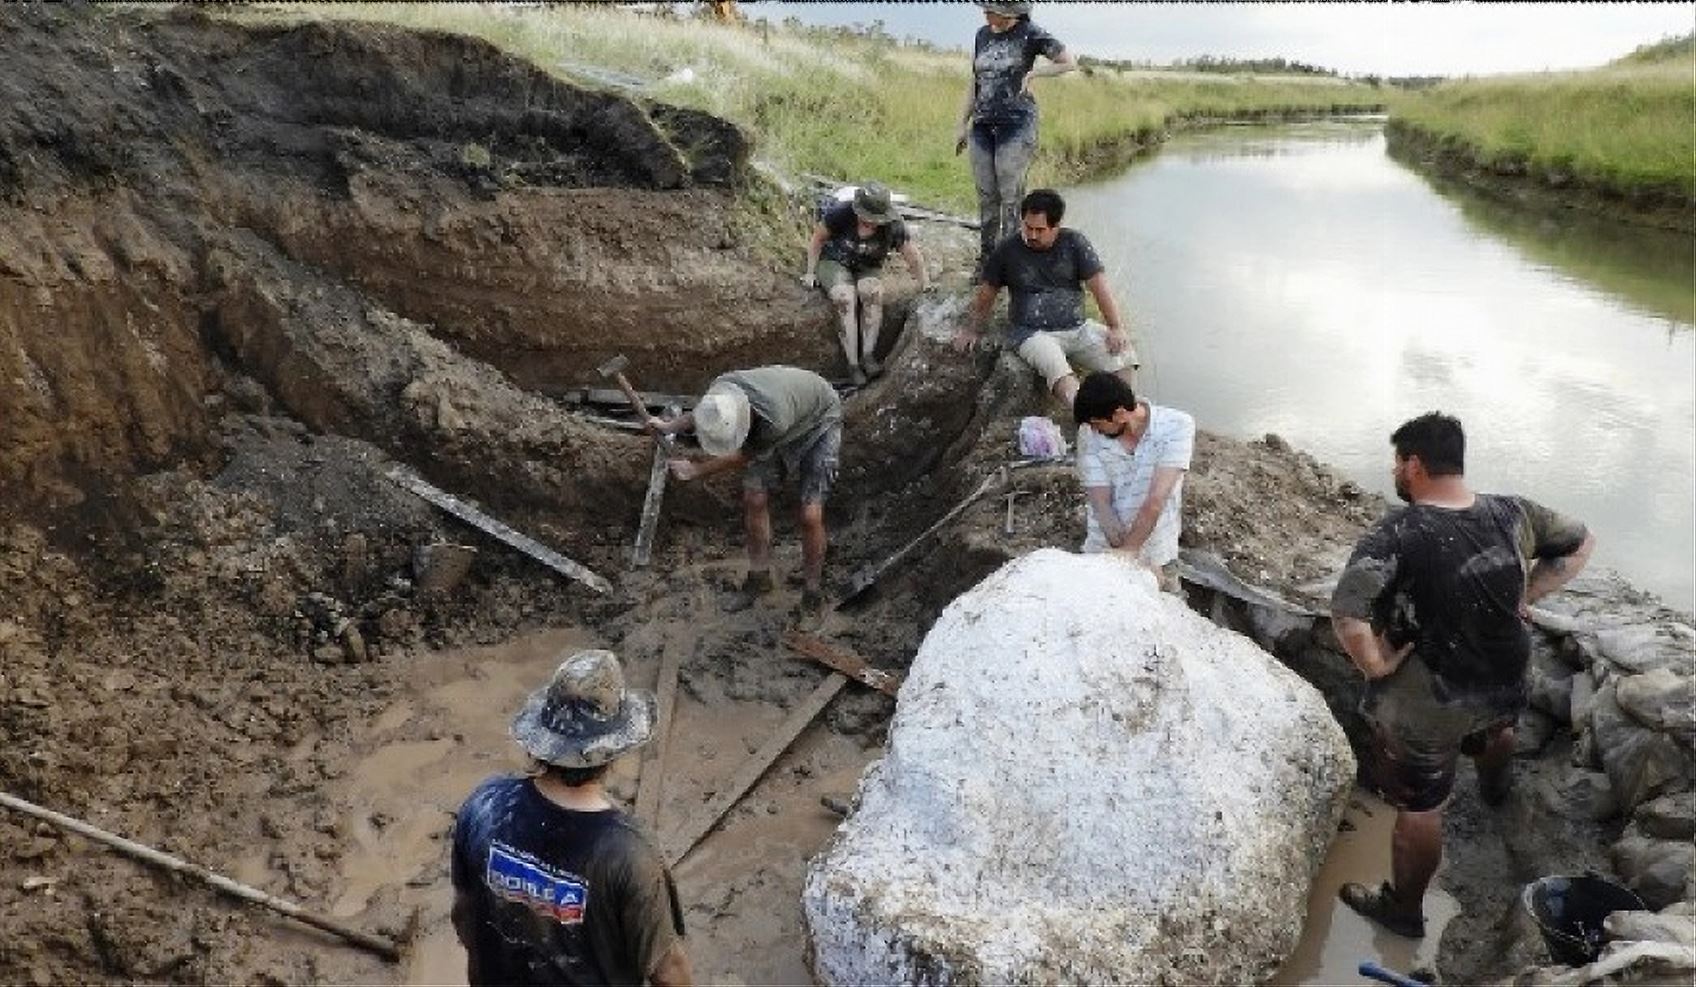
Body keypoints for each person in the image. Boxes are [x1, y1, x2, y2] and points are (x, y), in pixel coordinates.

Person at [1329, 412, 1594, 938]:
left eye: (1397, 463)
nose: (1395, 473)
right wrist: (1526, 594)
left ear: (1415, 464)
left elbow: (1348, 614)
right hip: (1506, 674)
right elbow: (1582, 542)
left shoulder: (1397, 532)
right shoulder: (1514, 513)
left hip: (1433, 697)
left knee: (1423, 806)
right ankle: (1497, 789)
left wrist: (1377, 665)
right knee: (1497, 727)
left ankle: (1403, 911)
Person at [451, 649, 693, 986]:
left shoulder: (484, 805)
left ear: (544, 739)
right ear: (614, 750)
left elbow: (465, 918)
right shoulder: (630, 854)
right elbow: (669, 973)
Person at [651, 365, 841, 611]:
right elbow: (702, 415)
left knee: (810, 514)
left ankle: (812, 593)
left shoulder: (775, 421)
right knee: (754, 498)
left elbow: (743, 457)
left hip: (819, 420)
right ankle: (759, 579)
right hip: (784, 411)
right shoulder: (722, 390)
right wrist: (668, 427)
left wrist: (696, 470)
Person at [951, 188, 1136, 405]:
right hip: (1032, 333)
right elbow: (987, 293)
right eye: (1027, 227)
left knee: (1124, 357)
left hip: (1078, 328)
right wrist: (972, 328)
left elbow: (1099, 286)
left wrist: (1115, 326)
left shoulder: (1075, 243)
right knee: (1059, 371)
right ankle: (1088, 417)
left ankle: (1122, 413)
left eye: (1040, 230)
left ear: (1056, 227)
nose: (1031, 235)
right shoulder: (1007, 250)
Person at [955, 1, 1076, 263]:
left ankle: (1010, 261)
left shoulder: (1031, 33)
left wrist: (1034, 73)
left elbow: (1068, 62)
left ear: (1009, 12)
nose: (985, 13)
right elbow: (974, 83)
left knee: (1011, 197)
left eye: (991, 9)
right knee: (986, 195)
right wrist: (961, 125)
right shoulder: (982, 34)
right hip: (983, 125)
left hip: (1016, 126)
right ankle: (987, 259)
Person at [1071, 371, 1194, 593]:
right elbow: (1101, 504)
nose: (1094, 430)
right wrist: (1126, 558)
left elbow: (1157, 499)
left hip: (1158, 549)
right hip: (1105, 549)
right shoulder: (1090, 436)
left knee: (1168, 610)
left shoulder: (1177, 426)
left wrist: (1131, 553)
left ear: (1119, 414)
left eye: (1097, 423)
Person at [802, 183, 931, 385]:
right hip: (834, 261)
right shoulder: (841, 213)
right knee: (844, 297)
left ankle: (868, 356)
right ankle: (852, 364)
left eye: (876, 220)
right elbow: (818, 239)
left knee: (871, 293)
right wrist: (810, 272)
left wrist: (925, 283)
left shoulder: (894, 225)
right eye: (867, 218)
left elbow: (912, 255)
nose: (871, 223)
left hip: (869, 266)